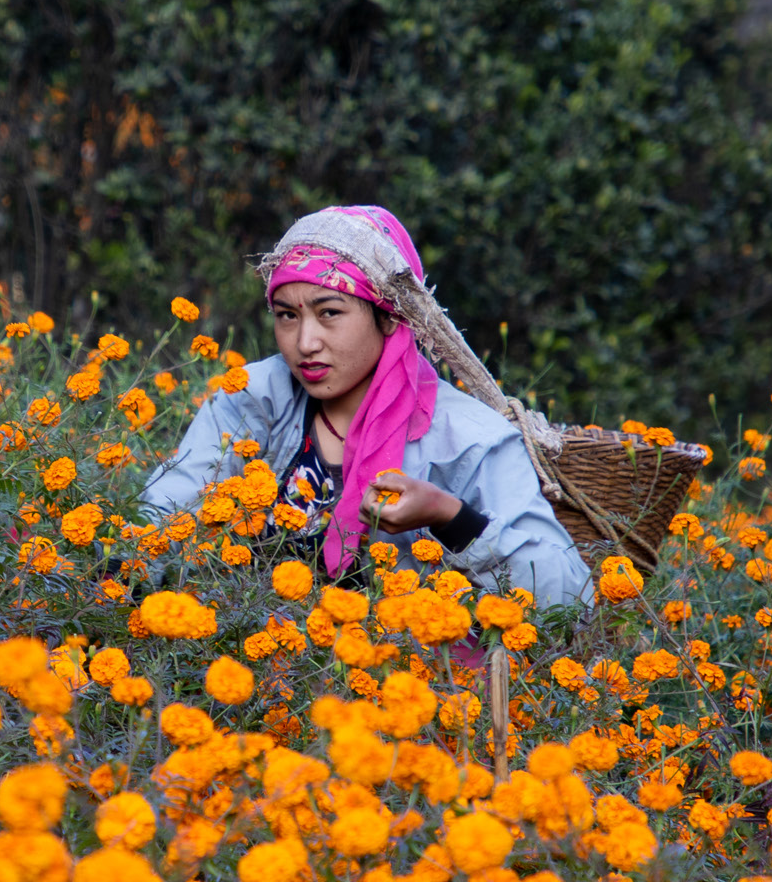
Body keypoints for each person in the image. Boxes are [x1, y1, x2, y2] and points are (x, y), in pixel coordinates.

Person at [141, 205, 590, 608]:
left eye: (330, 312)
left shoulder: (470, 439)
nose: (305, 342)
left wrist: (450, 517)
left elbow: (571, 602)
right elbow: (160, 521)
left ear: (390, 316)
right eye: (287, 315)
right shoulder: (254, 397)